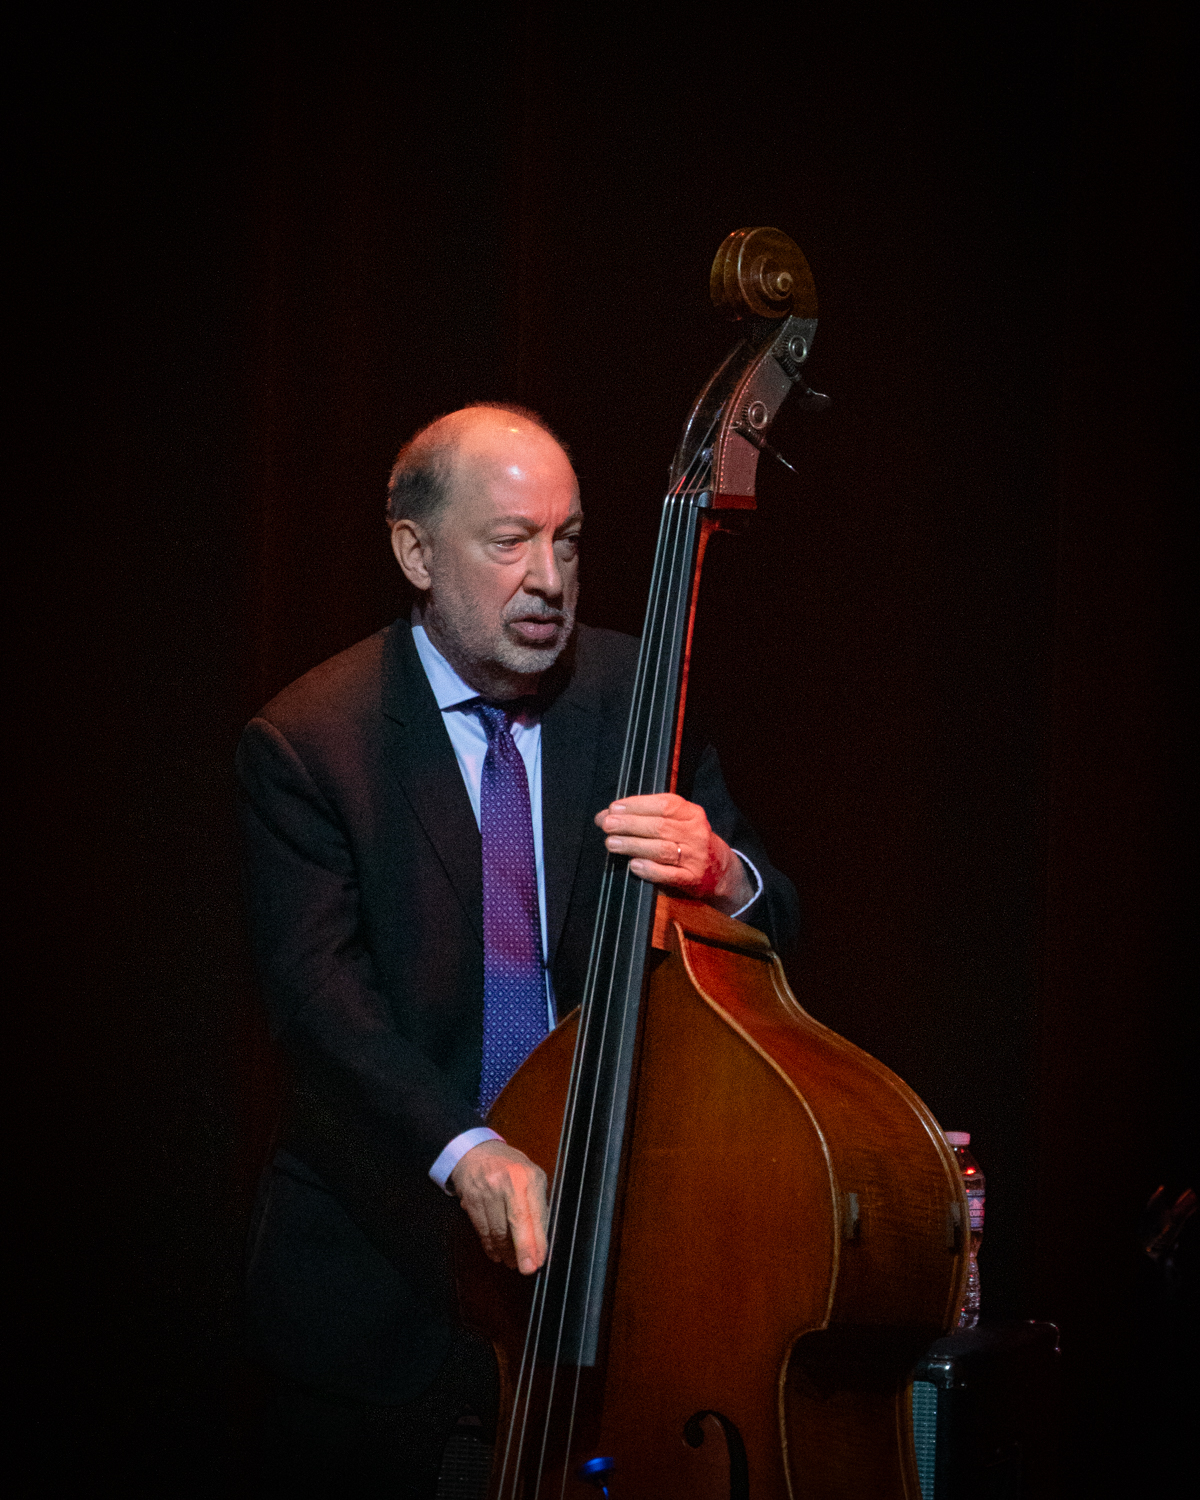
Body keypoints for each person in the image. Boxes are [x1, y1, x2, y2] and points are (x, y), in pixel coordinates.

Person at [236, 403, 799, 1494]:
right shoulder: (311, 742)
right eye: (509, 541)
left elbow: (776, 930)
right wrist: (468, 1148)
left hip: (605, 1264)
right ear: (416, 551)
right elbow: (318, 1001)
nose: (548, 576)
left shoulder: (639, 693)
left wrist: (727, 876)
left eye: (569, 538)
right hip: (386, 1276)